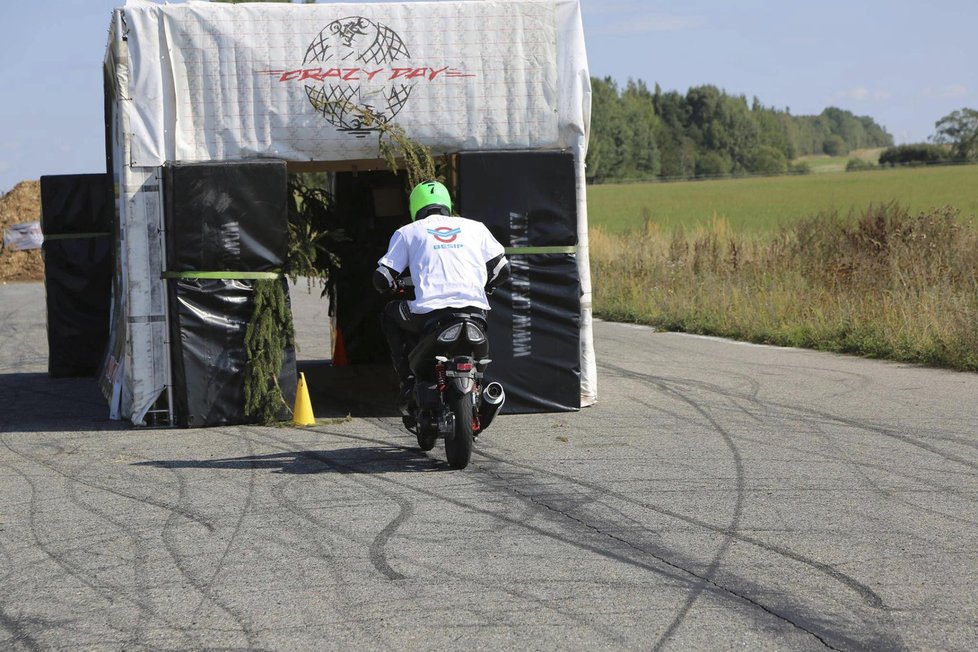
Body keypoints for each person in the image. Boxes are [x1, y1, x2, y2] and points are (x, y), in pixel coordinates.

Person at [373, 180, 510, 408]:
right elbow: (503, 270)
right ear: (447, 203)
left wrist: (390, 287)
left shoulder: (407, 232)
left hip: (429, 313)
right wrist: (486, 288)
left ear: (414, 207)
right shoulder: (476, 227)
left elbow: (382, 278)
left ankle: (407, 379)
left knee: (389, 313)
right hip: (474, 312)